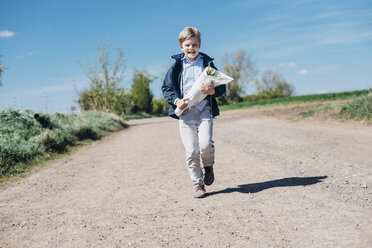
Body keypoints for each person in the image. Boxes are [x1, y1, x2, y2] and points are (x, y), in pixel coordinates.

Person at [162, 27, 226, 198]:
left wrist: (212, 91)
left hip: (204, 110)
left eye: (195, 45)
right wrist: (177, 101)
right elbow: (167, 88)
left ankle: (209, 165)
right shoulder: (176, 67)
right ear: (181, 46)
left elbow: (222, 87)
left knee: (205, 144)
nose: (191, 48)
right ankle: (198, 184)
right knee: (191, 150)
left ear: (200, 45)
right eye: (188, 45)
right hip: (185, 114)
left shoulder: (207, 64)